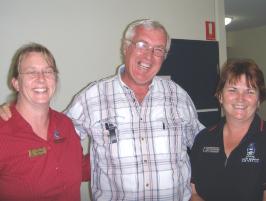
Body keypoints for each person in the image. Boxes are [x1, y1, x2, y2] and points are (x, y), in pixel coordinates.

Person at [0, 19, 204, 200]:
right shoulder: (92, 97)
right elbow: (52, 133)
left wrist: (196, 187)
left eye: (158, 49)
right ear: (126, 47)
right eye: (142, 45)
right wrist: (13, 111)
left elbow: (202, 144)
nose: (149, 56)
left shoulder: (178, 96)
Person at [0, 43, 89, 201]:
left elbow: (79, 168)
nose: (41, 78)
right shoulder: (3, 131)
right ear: (16, 83)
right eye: (31, 72)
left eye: (48, 71)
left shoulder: (65, 124)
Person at [190, 59, 266, 201]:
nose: (240, 99)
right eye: (232, 90)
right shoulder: (203, 139)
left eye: (249, 91)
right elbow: (193, 192)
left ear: (259, 100)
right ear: (220, 96)